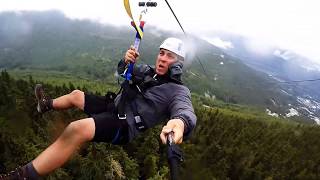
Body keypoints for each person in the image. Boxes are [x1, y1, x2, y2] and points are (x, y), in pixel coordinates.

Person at [0, 37, 197, 180]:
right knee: (76, 95)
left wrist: (179, 124)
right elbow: (124, 71)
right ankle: (46, 105)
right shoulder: (148, 72)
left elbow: (185, 111)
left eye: (169, 56)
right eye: (161, 53)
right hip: (114, 106)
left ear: (178, 65)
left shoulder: (178, 91)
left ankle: (21, 176)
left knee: (76, 129)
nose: (162, 59)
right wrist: (126, 60)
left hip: (124, 125)